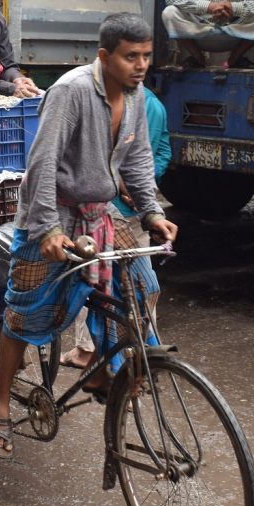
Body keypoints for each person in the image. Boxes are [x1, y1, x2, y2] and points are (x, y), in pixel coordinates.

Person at [0, 13, 178, 458]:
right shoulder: (69, 91)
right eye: (131, 57)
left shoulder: (136, 94)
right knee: (26, 311)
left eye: (146, 56)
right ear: (105, 56)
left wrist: (151, 212)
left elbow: (139, 161)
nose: (141, 65)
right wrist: (48, 227)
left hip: (100, 215)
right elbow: (41, 165)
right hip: (50, 216)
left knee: (142, 287)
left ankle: (102, 371)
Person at [60, 85, 172, 369]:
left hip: (124, 214)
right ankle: (100, 352)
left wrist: (141, 199)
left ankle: (134, 350)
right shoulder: (91, 98)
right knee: (103, 287)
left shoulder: (145, 106)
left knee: (130, 286)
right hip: (97, 211)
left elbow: (141, 159)